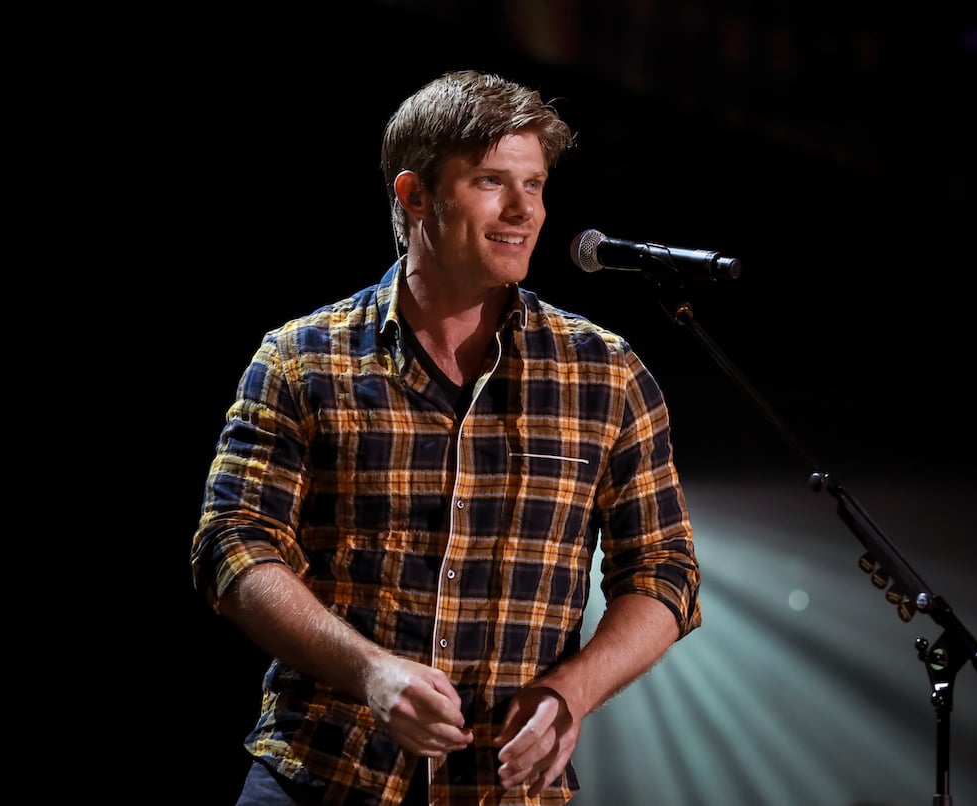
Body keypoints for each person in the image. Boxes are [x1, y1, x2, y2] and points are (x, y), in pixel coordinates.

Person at [191, 69, 703, 805]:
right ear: (414, 196)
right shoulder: (301, 358)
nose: (523, 210)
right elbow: (233, 545)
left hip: (505, 788)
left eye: (534, 185)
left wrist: (572, 692)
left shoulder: (607, 373)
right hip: (323, 772)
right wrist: (369, 670)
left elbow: (664, 570)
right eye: (493, 182)